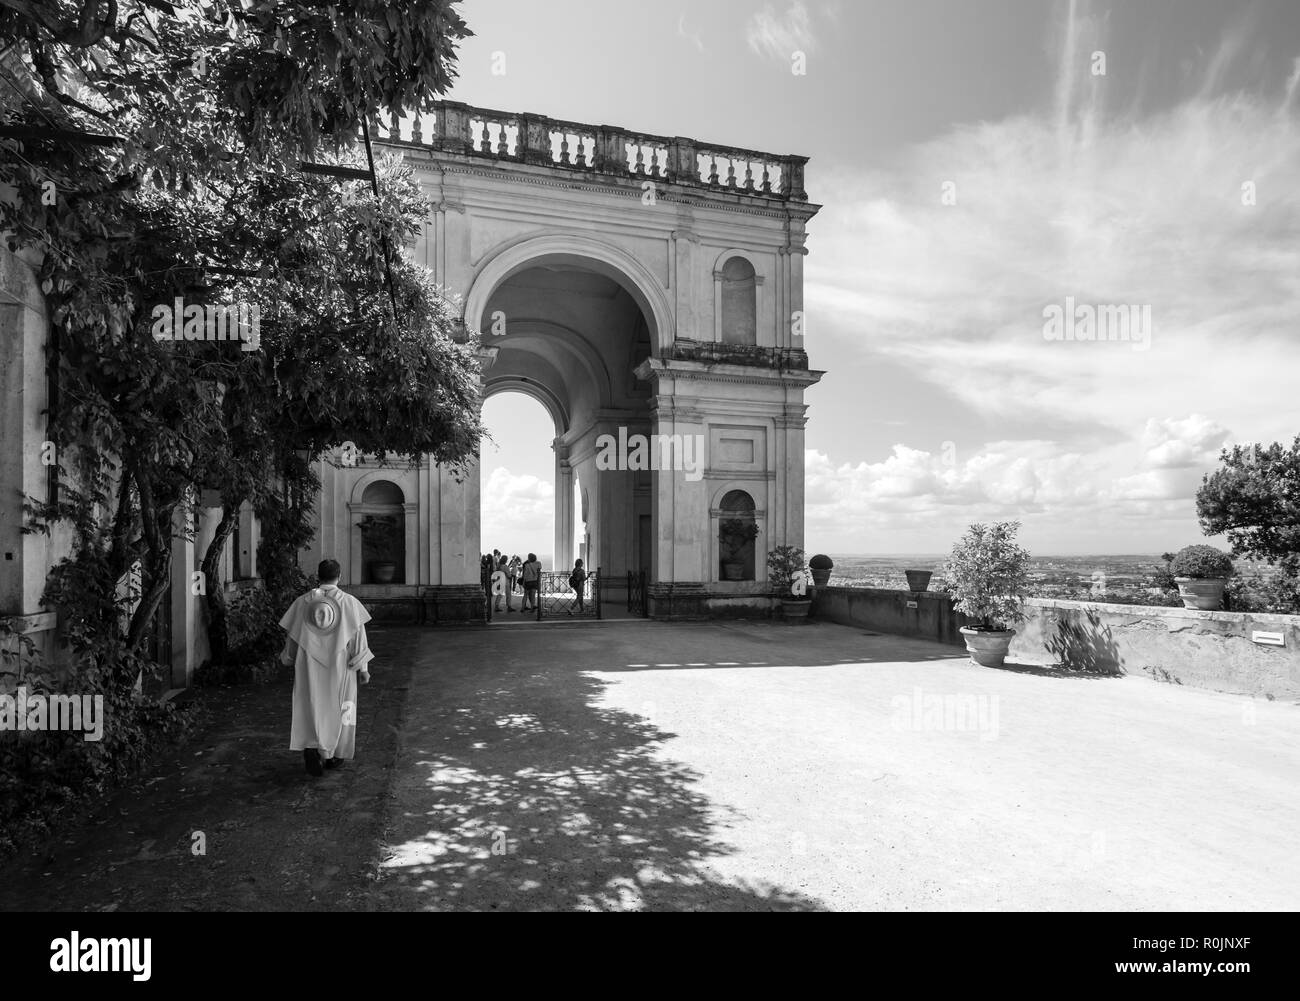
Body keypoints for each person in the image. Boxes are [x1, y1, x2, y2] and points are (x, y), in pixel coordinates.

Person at [279, 559, 373, 777]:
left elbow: (293, 637)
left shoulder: (303, 602)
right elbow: (359, 639)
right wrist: (363, 669)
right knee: (343, 707)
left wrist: (288, 658)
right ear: (339, 576)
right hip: (342, 666)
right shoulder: (349, 603)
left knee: (310, 703)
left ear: (317, 576)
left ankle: (312, 746)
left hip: (308, 665)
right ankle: (334, 755)